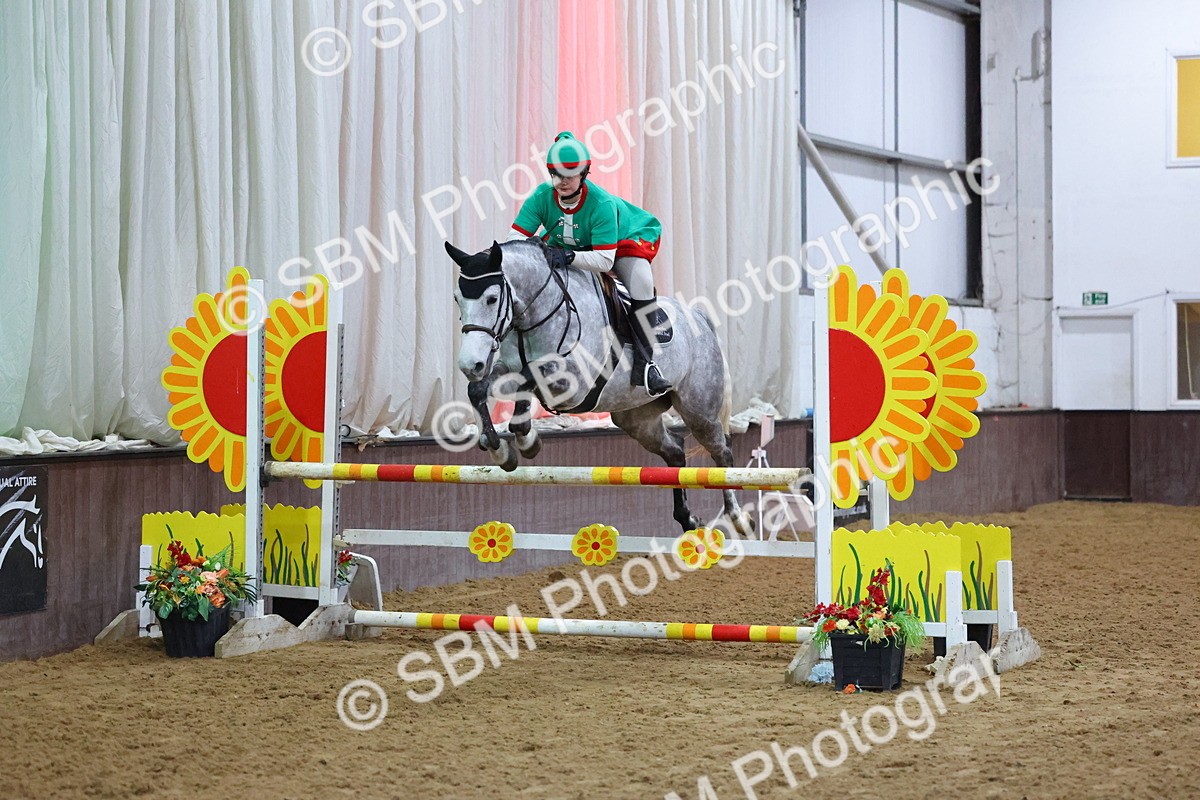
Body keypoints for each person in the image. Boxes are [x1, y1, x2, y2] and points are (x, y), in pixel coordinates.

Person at [507, 131, 672, 397]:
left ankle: (646, 365)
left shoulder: (601, 203)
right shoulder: (541, 196)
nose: (562, 181)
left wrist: (570, 257)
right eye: (557, 174)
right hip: (573, 242)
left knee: (642, 282)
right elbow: (515, 239)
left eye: (570, 175)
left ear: (584, 174)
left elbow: (604, 260)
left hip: (622, 240)